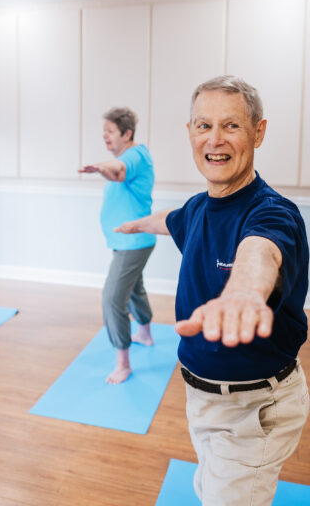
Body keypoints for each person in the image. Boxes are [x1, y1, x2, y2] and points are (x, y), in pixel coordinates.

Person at [115, 75, 309, 505]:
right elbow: (174, 219)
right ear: (190, 133)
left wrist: (243, 292)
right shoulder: (199, 207)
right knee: (206, 487)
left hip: (252, 413)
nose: (215, 139)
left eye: (232, 126)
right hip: (201, 398)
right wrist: (138, 224)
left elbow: (260, 253)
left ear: (258, 131)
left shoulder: (273, 214)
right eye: (204, 126)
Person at [79, 107, 156, 384]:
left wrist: (102, 167)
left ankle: (123, 363)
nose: (105, 137)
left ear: (127, 133)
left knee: (112, 299)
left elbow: (119, 172)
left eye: (110, 132)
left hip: (133, 243)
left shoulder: (134, 156)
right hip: (130, 241)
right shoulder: (133, 155)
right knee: (134, 288)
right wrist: (104, 167)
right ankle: (145, 334)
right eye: (104, 132)